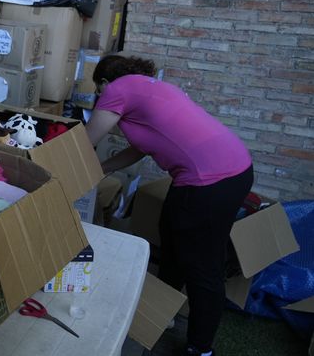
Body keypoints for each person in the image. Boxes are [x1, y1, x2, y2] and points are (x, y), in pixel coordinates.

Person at [85, 54, 253, 356]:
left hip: (209, 181)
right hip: (231, 169)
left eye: (98, 90)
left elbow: (86, 141)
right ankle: (165, 312)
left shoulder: (116, 90)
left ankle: (201, 348)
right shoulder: (148, 88)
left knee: (203, 265)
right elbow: (140, 148)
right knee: (173, 240)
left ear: (105, 82)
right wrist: (103, 168)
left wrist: (64, 161)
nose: (100, 98)